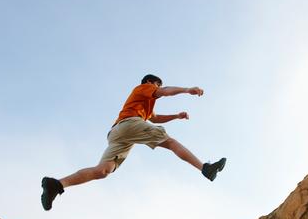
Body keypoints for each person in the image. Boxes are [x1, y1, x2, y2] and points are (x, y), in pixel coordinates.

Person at [40, 74, 226, 210]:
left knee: (102, 171)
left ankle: (57, 184)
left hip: (118, 133)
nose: (157, 88)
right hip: (129, 124)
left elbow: (155, 118)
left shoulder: (144, 104)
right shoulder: (144, 88)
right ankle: (205, 168)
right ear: (150, 83)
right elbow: (165, 91)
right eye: (156, 85)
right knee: (170, 143)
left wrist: (176, 116)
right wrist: (187, 90)